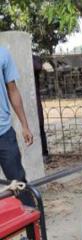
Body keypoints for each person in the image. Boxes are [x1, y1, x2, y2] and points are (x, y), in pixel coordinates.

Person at [0, 47, 34, 206]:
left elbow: (13, 90)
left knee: (18, 182)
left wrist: (24, 125)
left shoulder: (3, 54)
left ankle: (34, 226)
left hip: (4, 132)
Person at [32, 54, 48, 161]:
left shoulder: (35, 59)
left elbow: (38, 66)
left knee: (40, 127)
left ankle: (44, 153)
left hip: (34, 99)